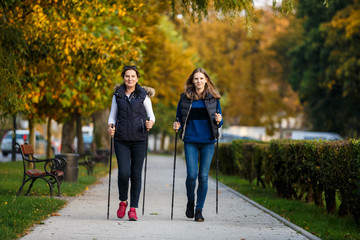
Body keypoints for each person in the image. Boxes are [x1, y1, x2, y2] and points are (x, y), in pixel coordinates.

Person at [173, 67, 223, 222]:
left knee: (203, 177)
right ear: (192, 81)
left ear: (206, 80)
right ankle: (190, 201)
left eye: (201, 78)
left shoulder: (214, 99)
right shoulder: (185, 98)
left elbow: (219, 122)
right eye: (196, 79)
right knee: (191, 175)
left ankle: (199, 210)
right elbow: (179, 119)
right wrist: (177, 125)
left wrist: (219, 121)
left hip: (208, 141)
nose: (199, 81)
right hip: (190, 140)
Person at [108, 65, 155, 221]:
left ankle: (133, 209)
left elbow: (151, 116)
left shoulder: (143, 95)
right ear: (123, 78)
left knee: (135, 174)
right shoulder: (118, 95)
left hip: (139, 140)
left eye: (133, 76)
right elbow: (112, 116)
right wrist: (111, 126)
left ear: (137, 78)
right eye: (127, 76)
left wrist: (150, 124)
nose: (130, 79)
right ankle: (123, 201)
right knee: (124, 172)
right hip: (121, 139)